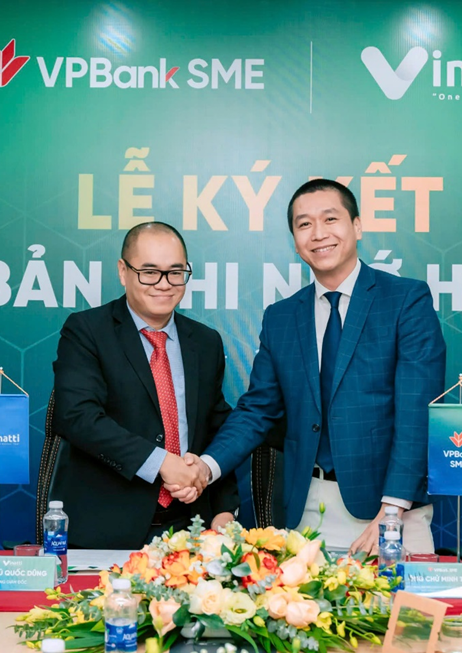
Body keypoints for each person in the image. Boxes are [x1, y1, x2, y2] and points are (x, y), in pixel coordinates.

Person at [173, 179, 446, 555]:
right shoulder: (282, 317)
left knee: (394, 597)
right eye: (304, 224)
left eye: (330, 219)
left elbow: (417, 413)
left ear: (357, 226)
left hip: (389, 513)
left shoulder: (405, 301)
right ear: (295, 240)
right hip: (305, 513)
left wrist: (393, 511)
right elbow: (257, 410)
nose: (318, 233)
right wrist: (205, 467)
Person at [50, 222, 237, 548]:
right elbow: (77, 416)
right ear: (123, 271)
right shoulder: (87, 330)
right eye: (149, 272)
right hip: (105, 530)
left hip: (190, 530)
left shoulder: (205, 342)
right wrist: (162, 462)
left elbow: (216, 428)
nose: (164, 284)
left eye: (175, 272)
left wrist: (224, 510)